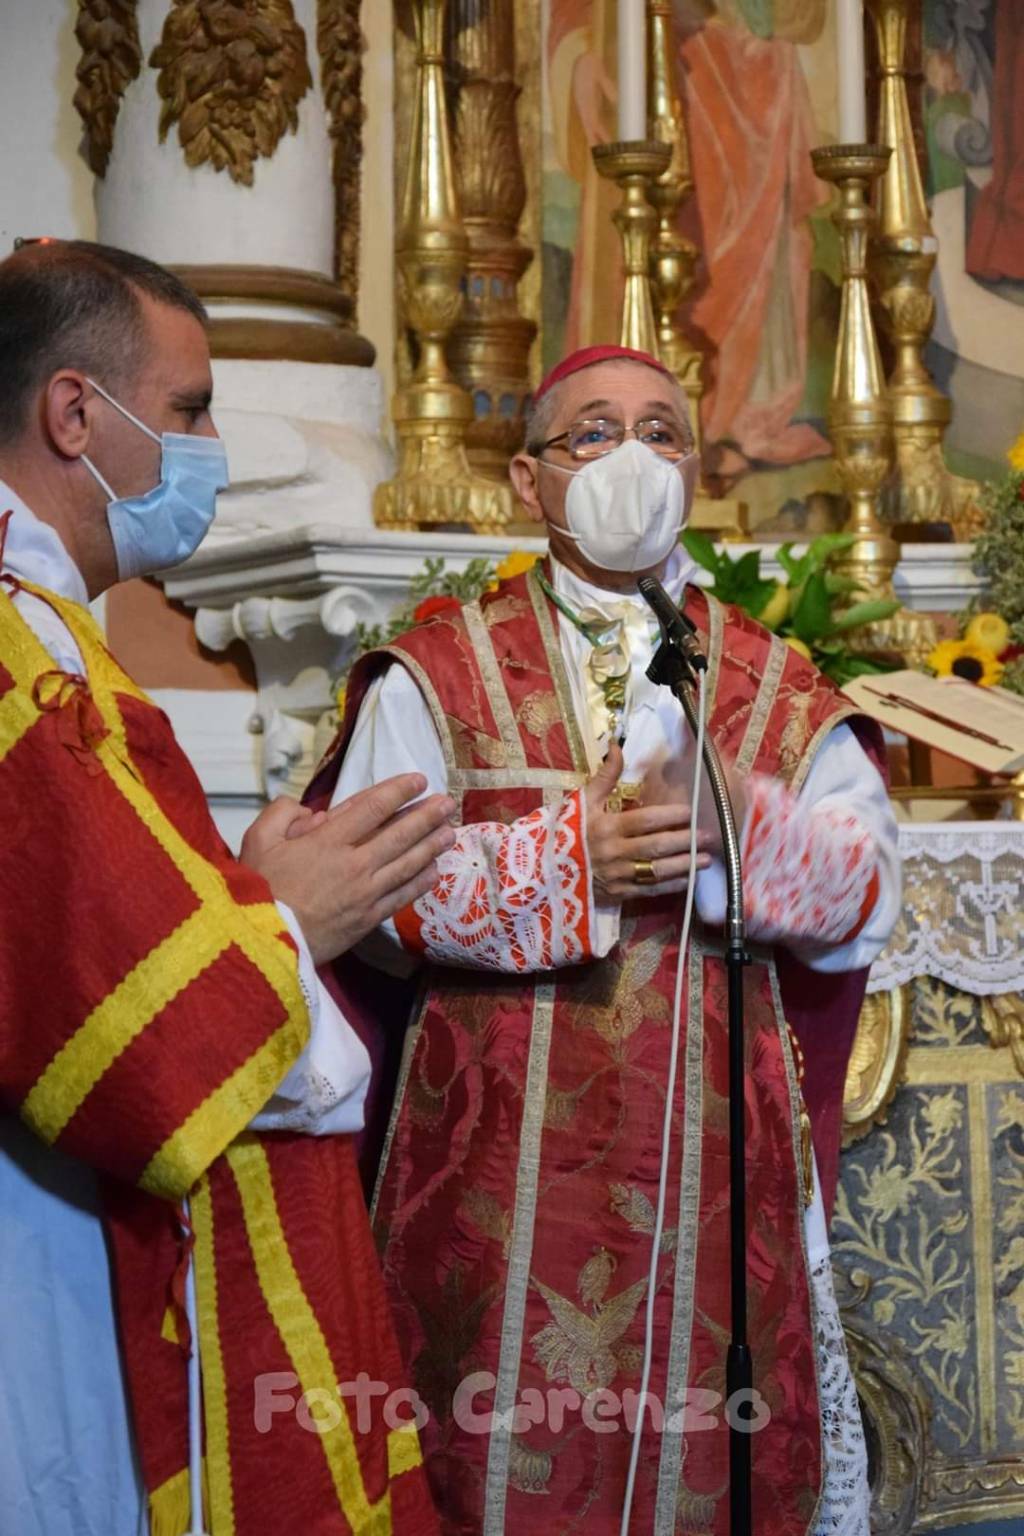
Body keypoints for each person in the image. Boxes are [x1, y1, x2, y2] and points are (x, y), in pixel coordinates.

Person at [308, 344, 901, 1536]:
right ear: (529, 482)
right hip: (494, 1176)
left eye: (661, 432)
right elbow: (358, 898)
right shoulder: (435, 674)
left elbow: (867, 895)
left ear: (692, 473)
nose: (631, 456)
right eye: (592, 432)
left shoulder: (775, 686)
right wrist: (575, 864)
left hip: (724, 1165)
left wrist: (739, 837)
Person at [0, 240, 451, 1536]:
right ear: (75, 411)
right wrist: (283, 917)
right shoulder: (23, 652)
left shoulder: (58, 637)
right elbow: (126, 1032)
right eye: (188, 408)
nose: (207, 449)